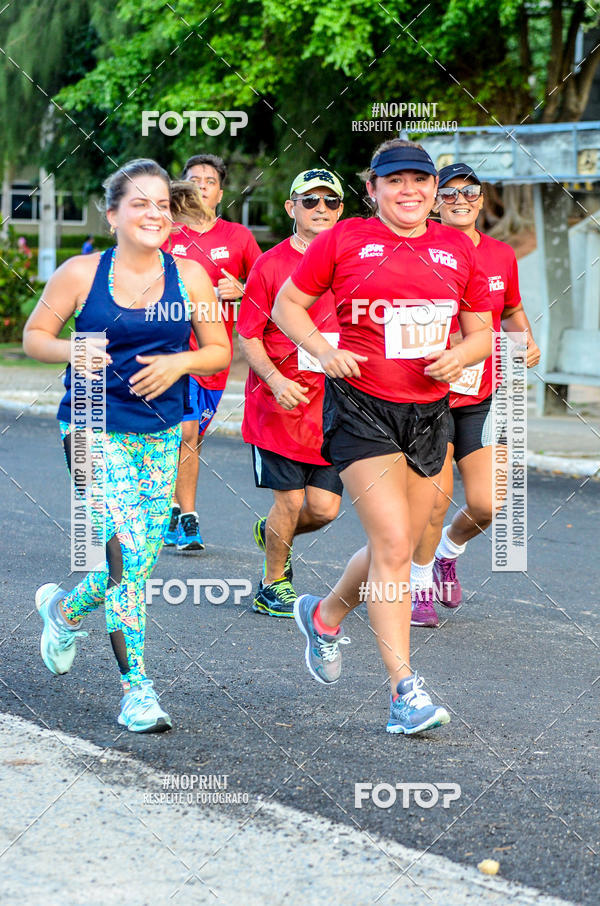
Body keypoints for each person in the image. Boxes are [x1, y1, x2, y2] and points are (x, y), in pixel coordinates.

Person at [272, 139, 495, 735]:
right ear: (372, 190)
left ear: (433, 190)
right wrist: (323, 350)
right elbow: (287, 304)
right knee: (395, 543)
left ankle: (324, 615)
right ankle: (404, 692)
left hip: (428, 414)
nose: (410, 191)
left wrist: (460, 355)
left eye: (420, 182)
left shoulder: (456, 247)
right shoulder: (343, 240)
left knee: (394, 543)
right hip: (360, 408)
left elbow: (482, 331)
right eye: (394, 182)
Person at [22, 158, 230, 733]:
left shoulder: (190, 277)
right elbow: (34, 337)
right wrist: (79, 351)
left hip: (160, 429)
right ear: (113, 214)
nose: (153, 213)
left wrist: (181, 361)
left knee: (137, 561)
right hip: (91, 424)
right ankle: (136, 688)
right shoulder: (80, 274)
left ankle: (62, 612)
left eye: (162, 204)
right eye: (139, 203)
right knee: (123, 559)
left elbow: (218, 351)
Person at [410, 163, 540, 628]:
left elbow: (511, 308)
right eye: (449, 193)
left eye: (470, 192)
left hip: (481, 393)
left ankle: (447, 552)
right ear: (434, 200)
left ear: (482, 200)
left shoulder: (501, 254)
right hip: (427, 394)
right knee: (436, 497)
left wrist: (526, 338)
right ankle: (419, 583)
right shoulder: (419, 248)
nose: (460, 200)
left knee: (489, 502)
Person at [237, 169, 345, 618]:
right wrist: (276, 381)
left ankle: (273, 532)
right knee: (292, 500)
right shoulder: (271, 264)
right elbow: (248, 334)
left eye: (330, 202)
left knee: (323, 510)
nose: (320, 209)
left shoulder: (352, 262)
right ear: (291, 208)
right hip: (280, 404)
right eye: (310, 201)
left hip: (334, 404)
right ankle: (271, 583)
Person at [163, 153, 261, 551]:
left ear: (220, 192)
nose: (202, 184)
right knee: (183, 432)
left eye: (209, 180)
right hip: (169, 350)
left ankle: (170, 509)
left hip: (214, 358)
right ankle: (188, 518)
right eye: (193, 178)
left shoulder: (238, 237)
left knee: (191, 437)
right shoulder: (165, 233)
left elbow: (267, 289)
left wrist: (243, 289)